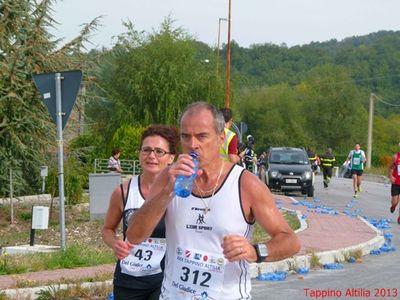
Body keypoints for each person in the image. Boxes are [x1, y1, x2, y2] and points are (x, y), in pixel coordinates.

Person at [125, 102, 300, 299]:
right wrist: (167, 192)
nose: (192, 145)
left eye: (202, 136)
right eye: (185, 136)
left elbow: (290, 241)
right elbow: (134, 235)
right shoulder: (168, 177)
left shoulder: (246, 184)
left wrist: (255, 251)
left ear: (221, 138)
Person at [102, 125, 180, 300]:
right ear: (139, 154)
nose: (151, 156)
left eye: (159, 151)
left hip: (164, 279)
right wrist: (115, 244)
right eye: (146, 150)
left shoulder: (179, 192)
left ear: (171, 158)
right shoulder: (123, 191)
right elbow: (107, 229)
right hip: (128, 279)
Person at [388, 142, 400, 224]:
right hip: (396, 182)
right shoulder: (395, 157)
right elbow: (391, 167)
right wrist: (391, 176)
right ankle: (393, 206)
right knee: (395, 202)